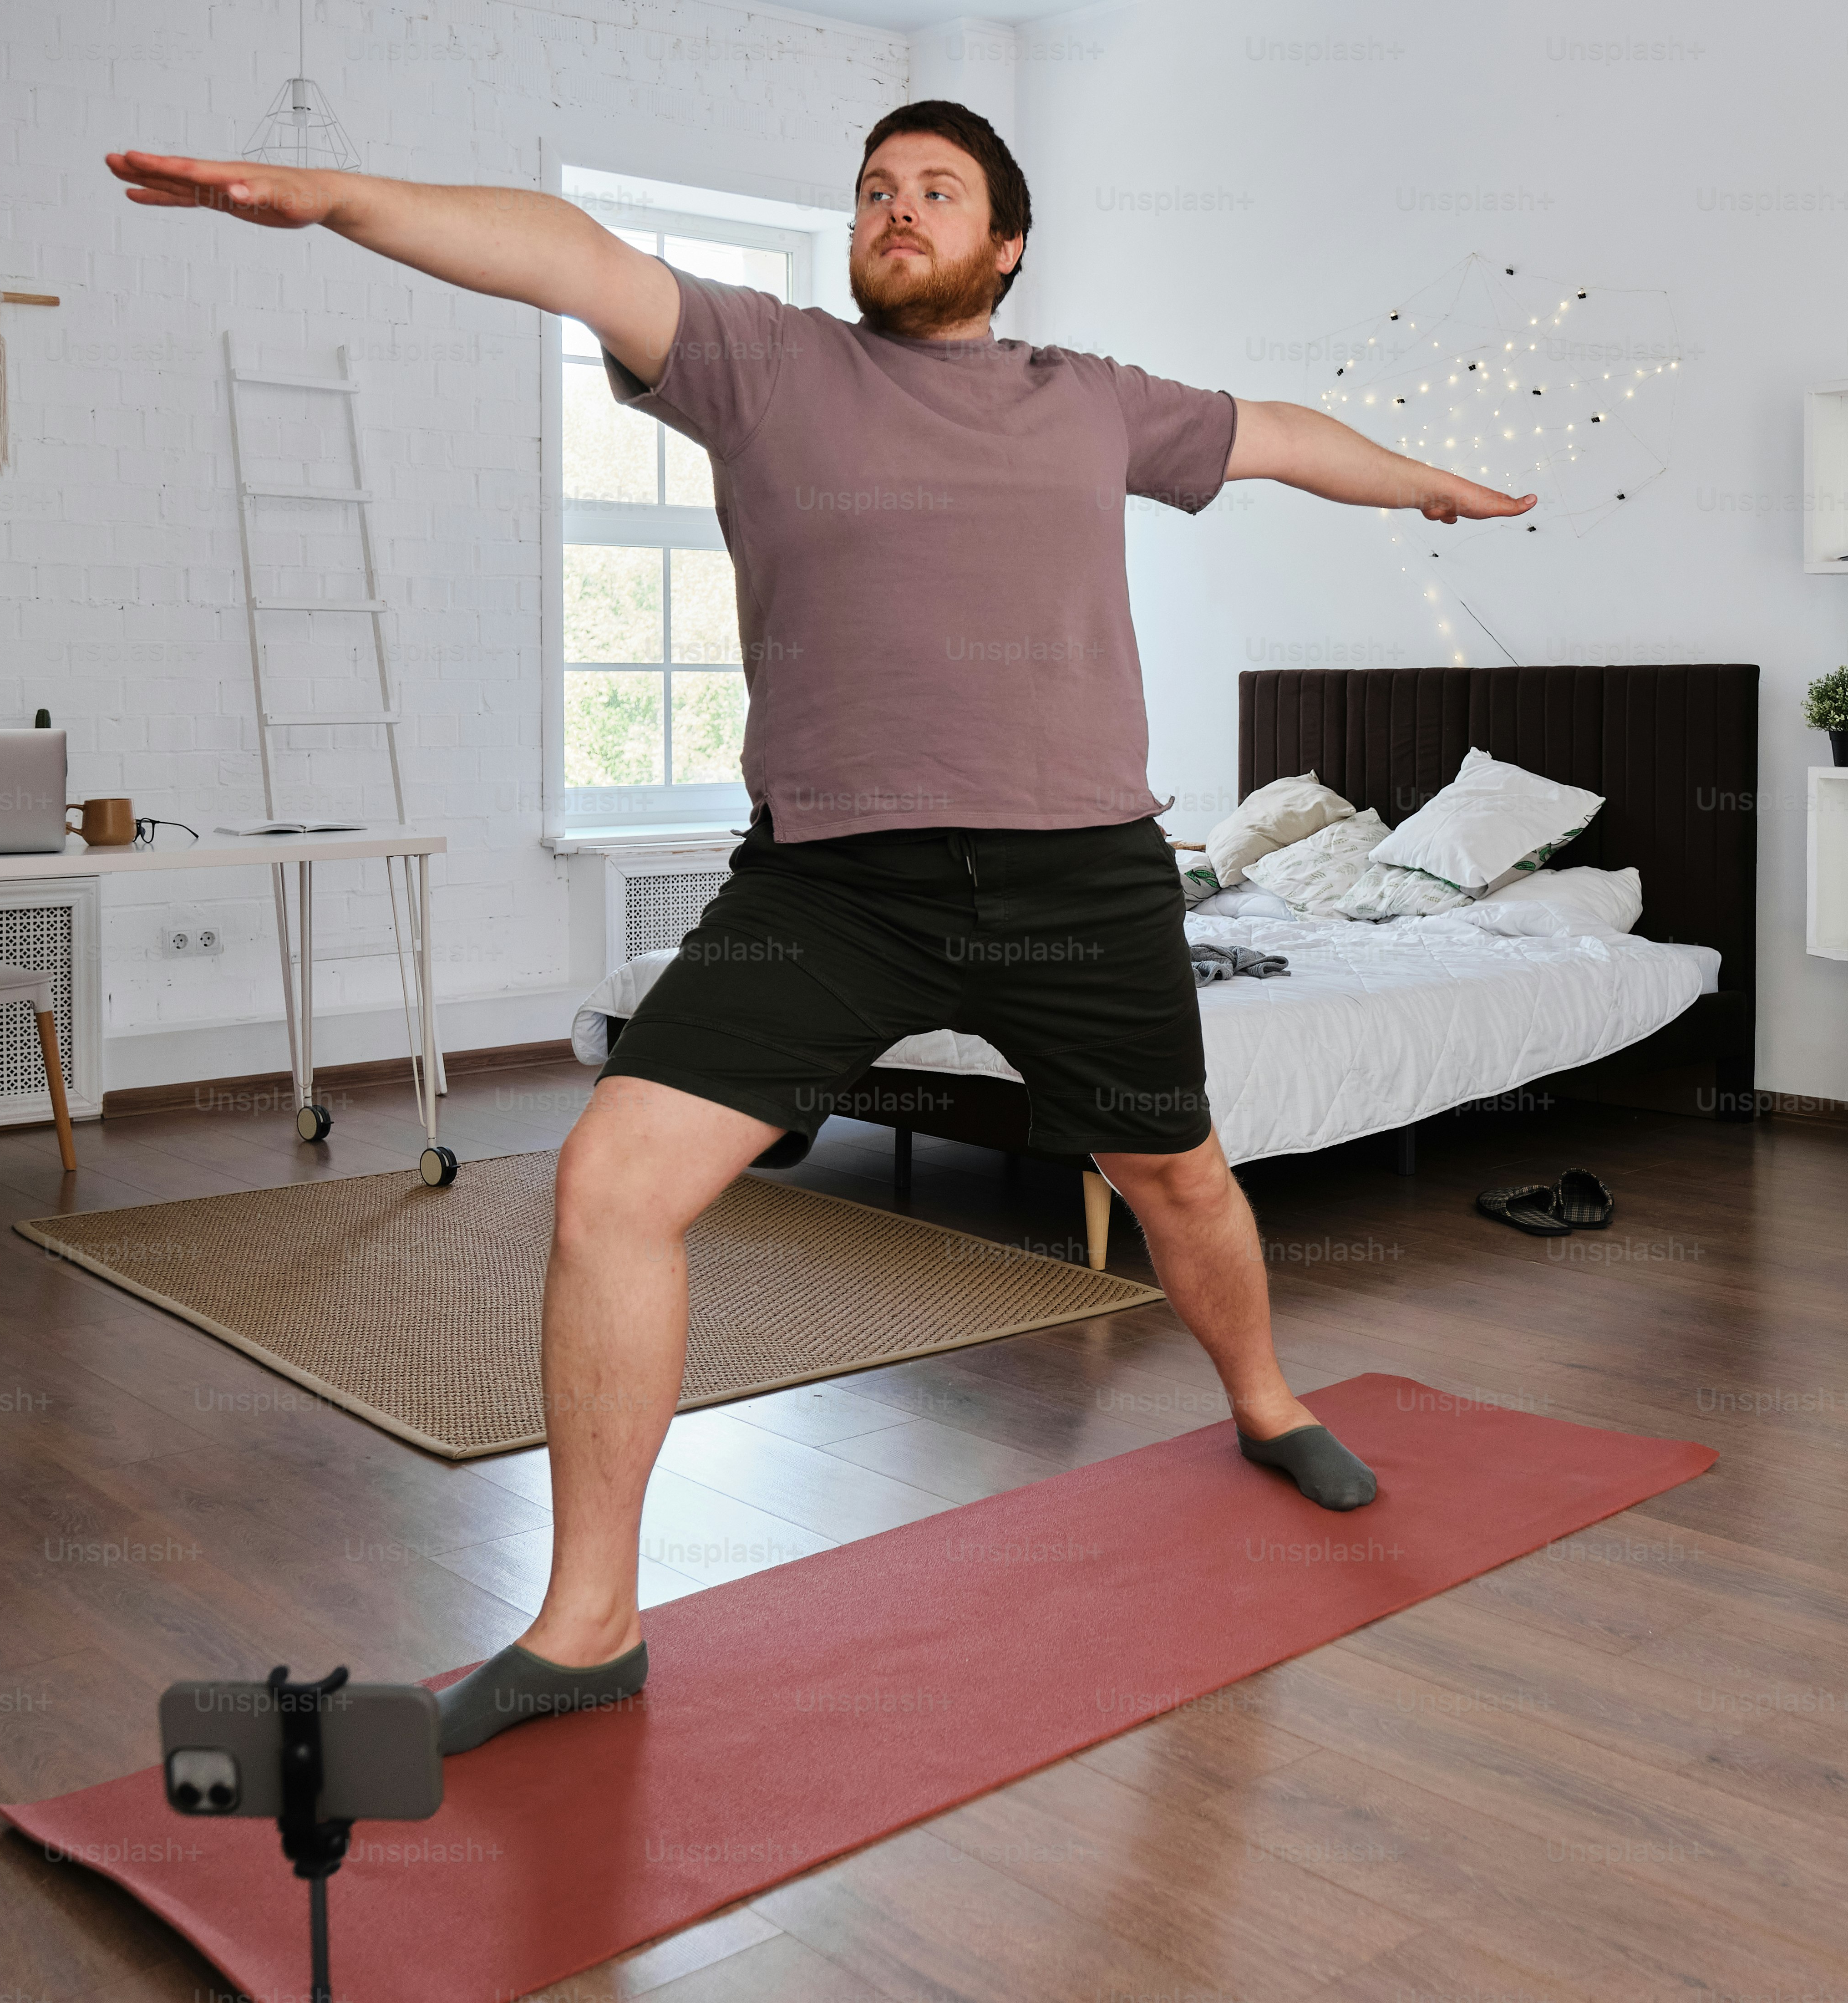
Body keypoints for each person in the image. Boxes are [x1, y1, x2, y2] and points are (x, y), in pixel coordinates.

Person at [107, 102, 1535, 1752]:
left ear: (1006, 243)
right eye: (873, 190)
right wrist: (335, 195)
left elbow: (1275, 433)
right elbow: (571, 255)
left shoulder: (1091, 400)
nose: (896, 209)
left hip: (1080, 876)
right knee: (610, 1185)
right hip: (832, 884)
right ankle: (589, 1626)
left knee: (1178, 1176)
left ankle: (1268, 1406)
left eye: (937, 189)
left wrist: (1423, 487)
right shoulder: (763, 363)